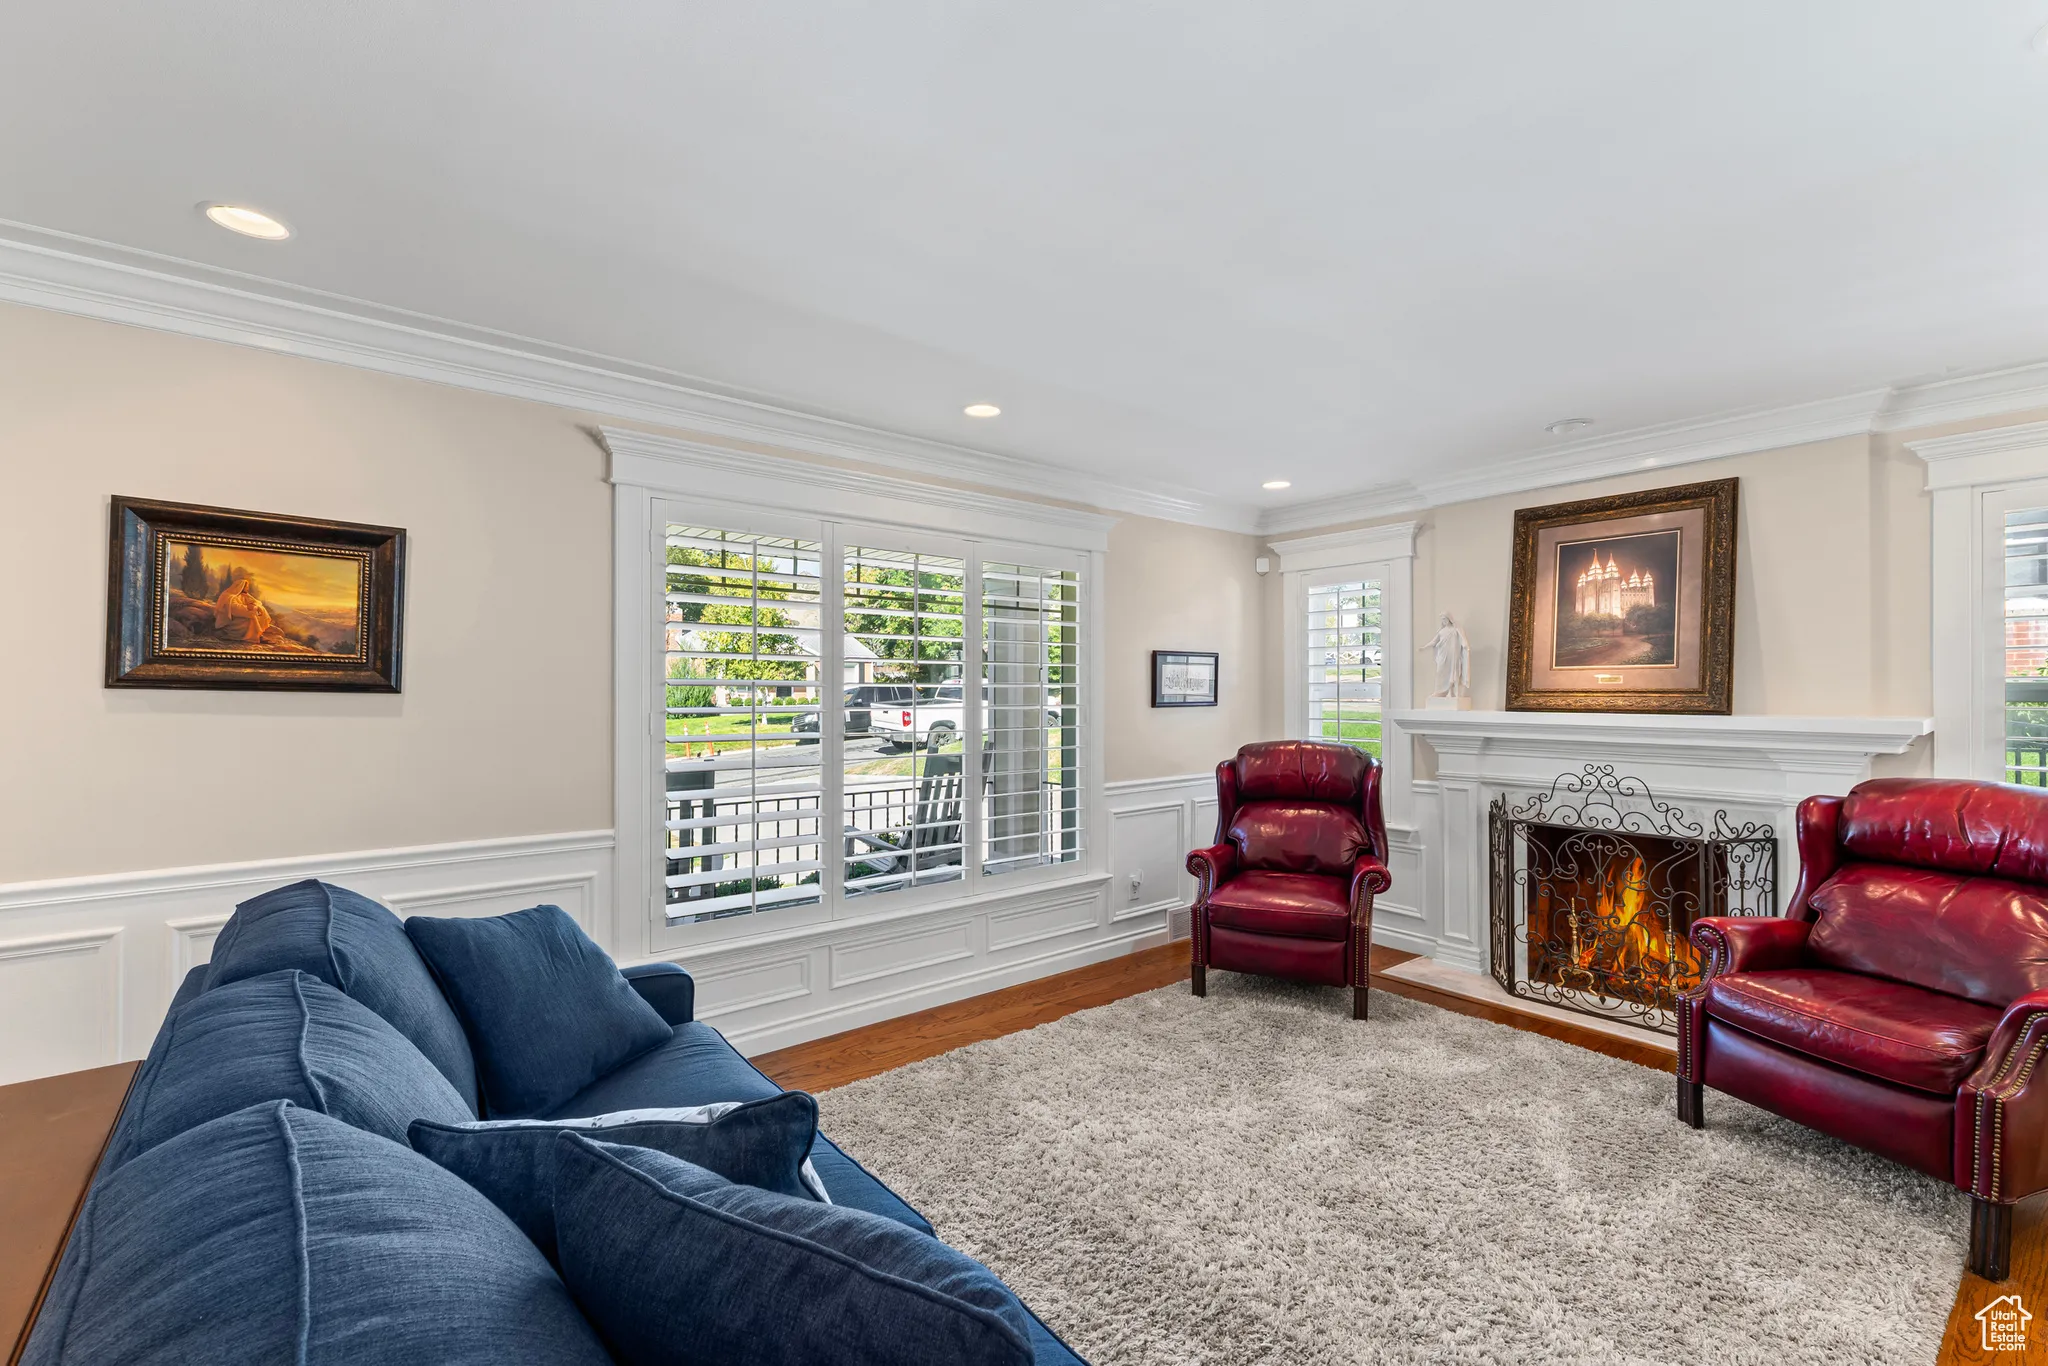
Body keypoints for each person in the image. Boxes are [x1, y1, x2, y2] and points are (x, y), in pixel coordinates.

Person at [211, 577, 275, 643]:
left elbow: (255, 602)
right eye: (246, 587)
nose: (248, 588)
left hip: (241, 616)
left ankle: (258, 635)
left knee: (259, 611)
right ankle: (257, 637)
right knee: (251, 618)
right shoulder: (229, 596)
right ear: (241, 586)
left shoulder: (244, 595)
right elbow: (235, 609)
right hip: (232, 620)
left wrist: (256, 606)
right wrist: (247, 607)